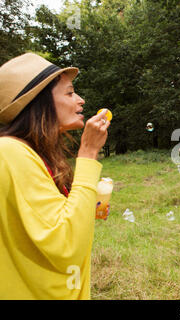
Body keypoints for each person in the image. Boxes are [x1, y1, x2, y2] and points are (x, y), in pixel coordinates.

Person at [0, 53, 110, 299]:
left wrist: (84, 208)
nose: (80, 100)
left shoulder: (31, 153)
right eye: (70, 93)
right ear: (40, 103)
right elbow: (66, 243)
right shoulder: (10, 152)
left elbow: (45, 220)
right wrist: (89, 153)